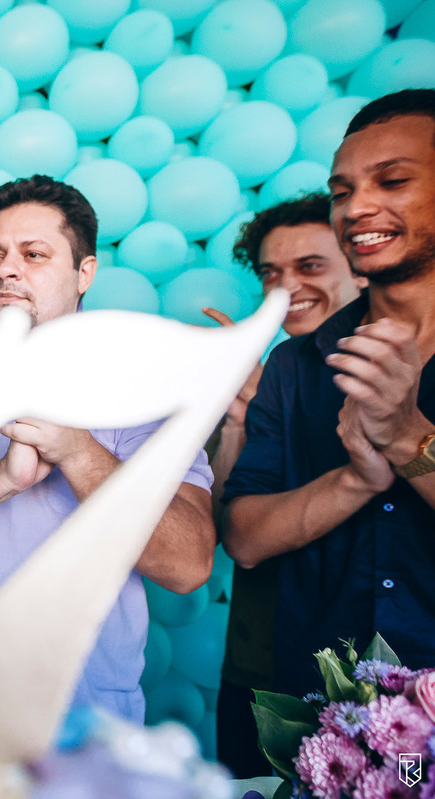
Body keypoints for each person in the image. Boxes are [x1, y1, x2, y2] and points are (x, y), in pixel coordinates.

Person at [0, 175, 216, 722]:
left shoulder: (142, 392)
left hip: (85, 716)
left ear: (85, 272)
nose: (6, 269)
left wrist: (81, 453)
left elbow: (189, 563)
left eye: (34, 254)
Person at [224, 89, 435, 700]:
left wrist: (407, 437)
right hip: (326, 720)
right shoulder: (295, 365)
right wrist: (356, 481)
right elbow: (242, 537)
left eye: (391, 181)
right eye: (342, 192)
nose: (357, 207)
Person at [202, 193, 366, 777]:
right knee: (256, 784)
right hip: (264, 659)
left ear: (360, 259)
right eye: (271, 273)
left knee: (403, 780)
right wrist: (241, 414)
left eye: (310, 266)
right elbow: (229, 532)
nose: (285, 286)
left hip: (388, 674)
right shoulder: (279, 376)